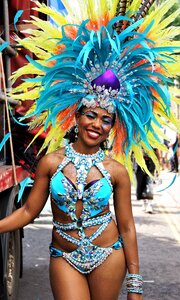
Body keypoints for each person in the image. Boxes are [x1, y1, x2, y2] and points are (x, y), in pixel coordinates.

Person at [1, 0, 179, 299]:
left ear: (112, 126)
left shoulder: (116, 171)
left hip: (108, 255)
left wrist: (135, 284)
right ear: (77, 116)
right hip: (64, 257)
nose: (97, 124)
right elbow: (29, 211)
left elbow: (127, 226)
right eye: (91, 115)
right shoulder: (50, 162)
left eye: (106, 119)